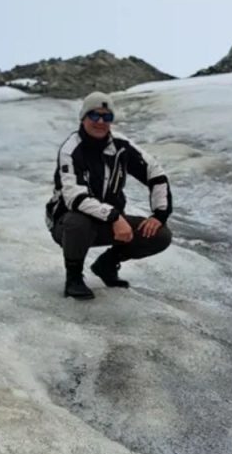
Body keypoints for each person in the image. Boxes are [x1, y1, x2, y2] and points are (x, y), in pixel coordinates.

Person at [45, 91, 173, 300]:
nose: (100, 122)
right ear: (83, 117)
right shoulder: (71, 149)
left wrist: (159, 215)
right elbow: (74, 198)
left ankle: (107, 264)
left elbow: (156, 174)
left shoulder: (121, 145)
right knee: (79, 221)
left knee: (160, 235)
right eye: (94, 115)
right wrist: (114, 217)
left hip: (109, 221)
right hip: (66, 224)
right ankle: (74, 278)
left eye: (107, 117)